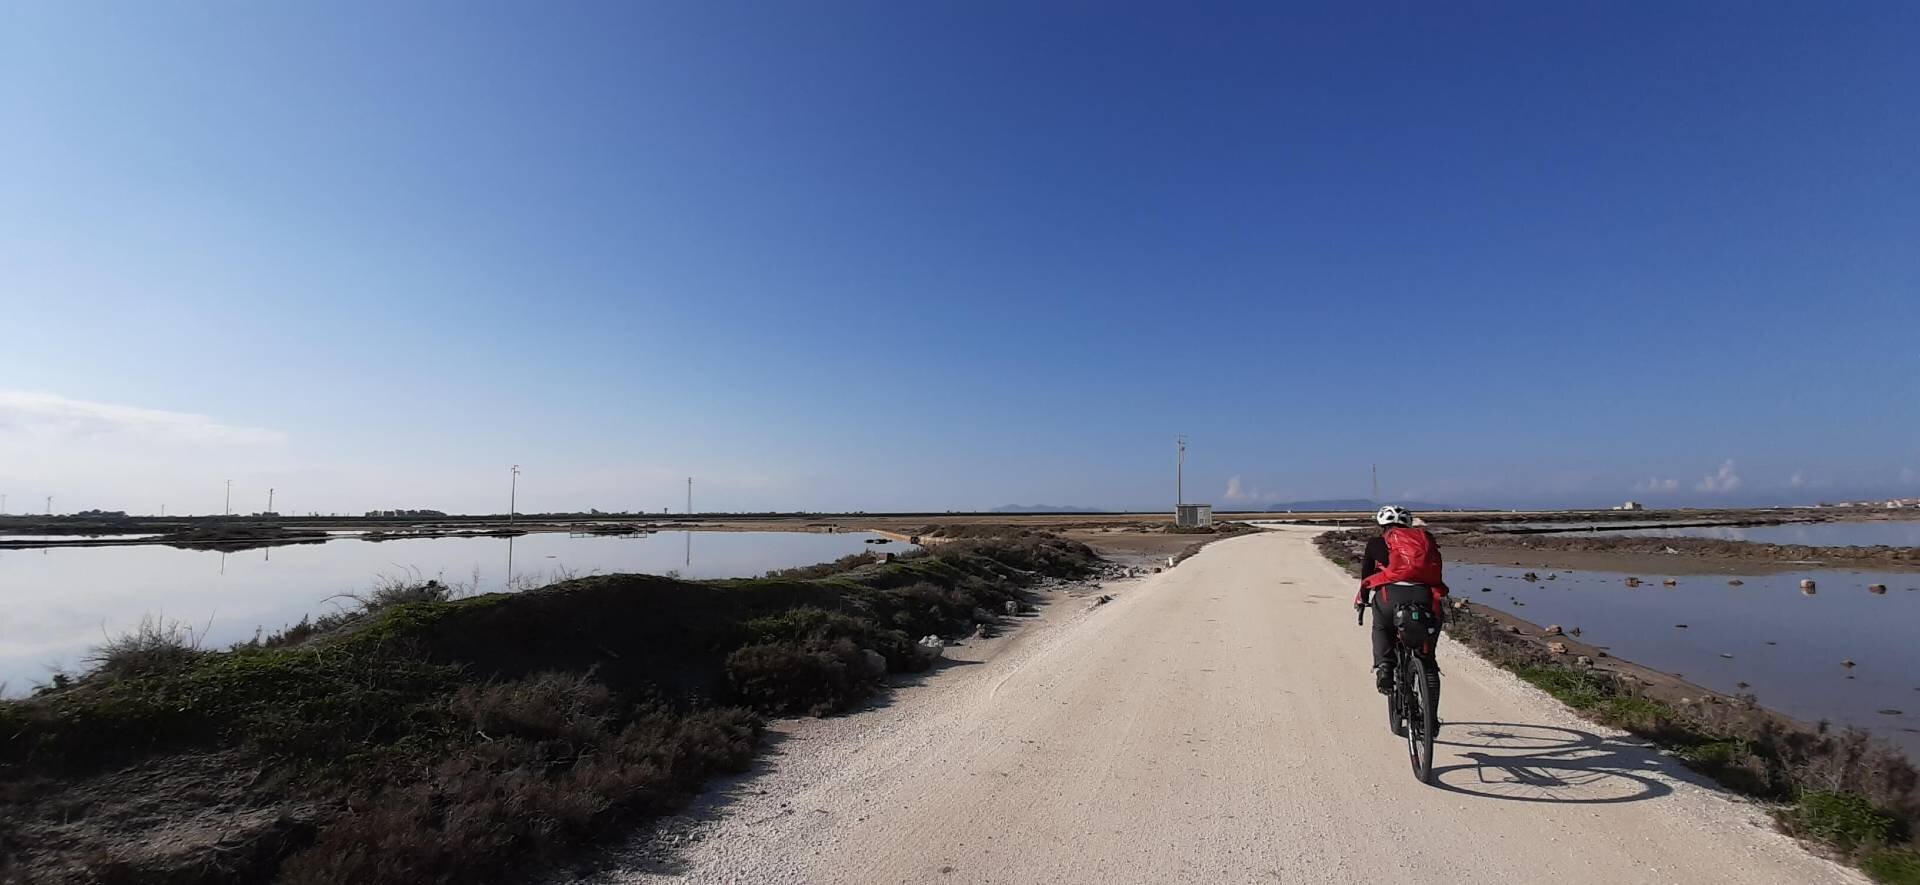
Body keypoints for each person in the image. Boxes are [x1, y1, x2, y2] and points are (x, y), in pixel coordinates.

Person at [1353, 505, 1449, 693]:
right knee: (1430, 636)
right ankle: (1428, 662)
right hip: (1424, 595)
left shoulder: (1376, 542)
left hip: (1390, 595)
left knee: (1381, 625)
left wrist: (1362, 600)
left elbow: (1366, 576)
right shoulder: (1425, 539)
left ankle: (1385, 667)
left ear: (1382, 525)